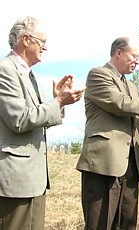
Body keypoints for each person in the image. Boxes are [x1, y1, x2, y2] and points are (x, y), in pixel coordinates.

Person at [76, 37, 139, 230]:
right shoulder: (98, 75)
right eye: (134, 56)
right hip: (103, 164)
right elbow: (119, 103)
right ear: (118, 52)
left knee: (127, 223)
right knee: (100, 223)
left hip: (130, 167)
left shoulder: (132, 87)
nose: (137, 61)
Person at [0, 16, 84, 230]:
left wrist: (59, 102)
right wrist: (57, 102)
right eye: (42, 42)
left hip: (33, 180)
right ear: (26, 40)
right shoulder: (5, 70)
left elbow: (35, 118)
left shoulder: (31, 76)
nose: (45, 48)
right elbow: (18, 119)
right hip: (16, 180)